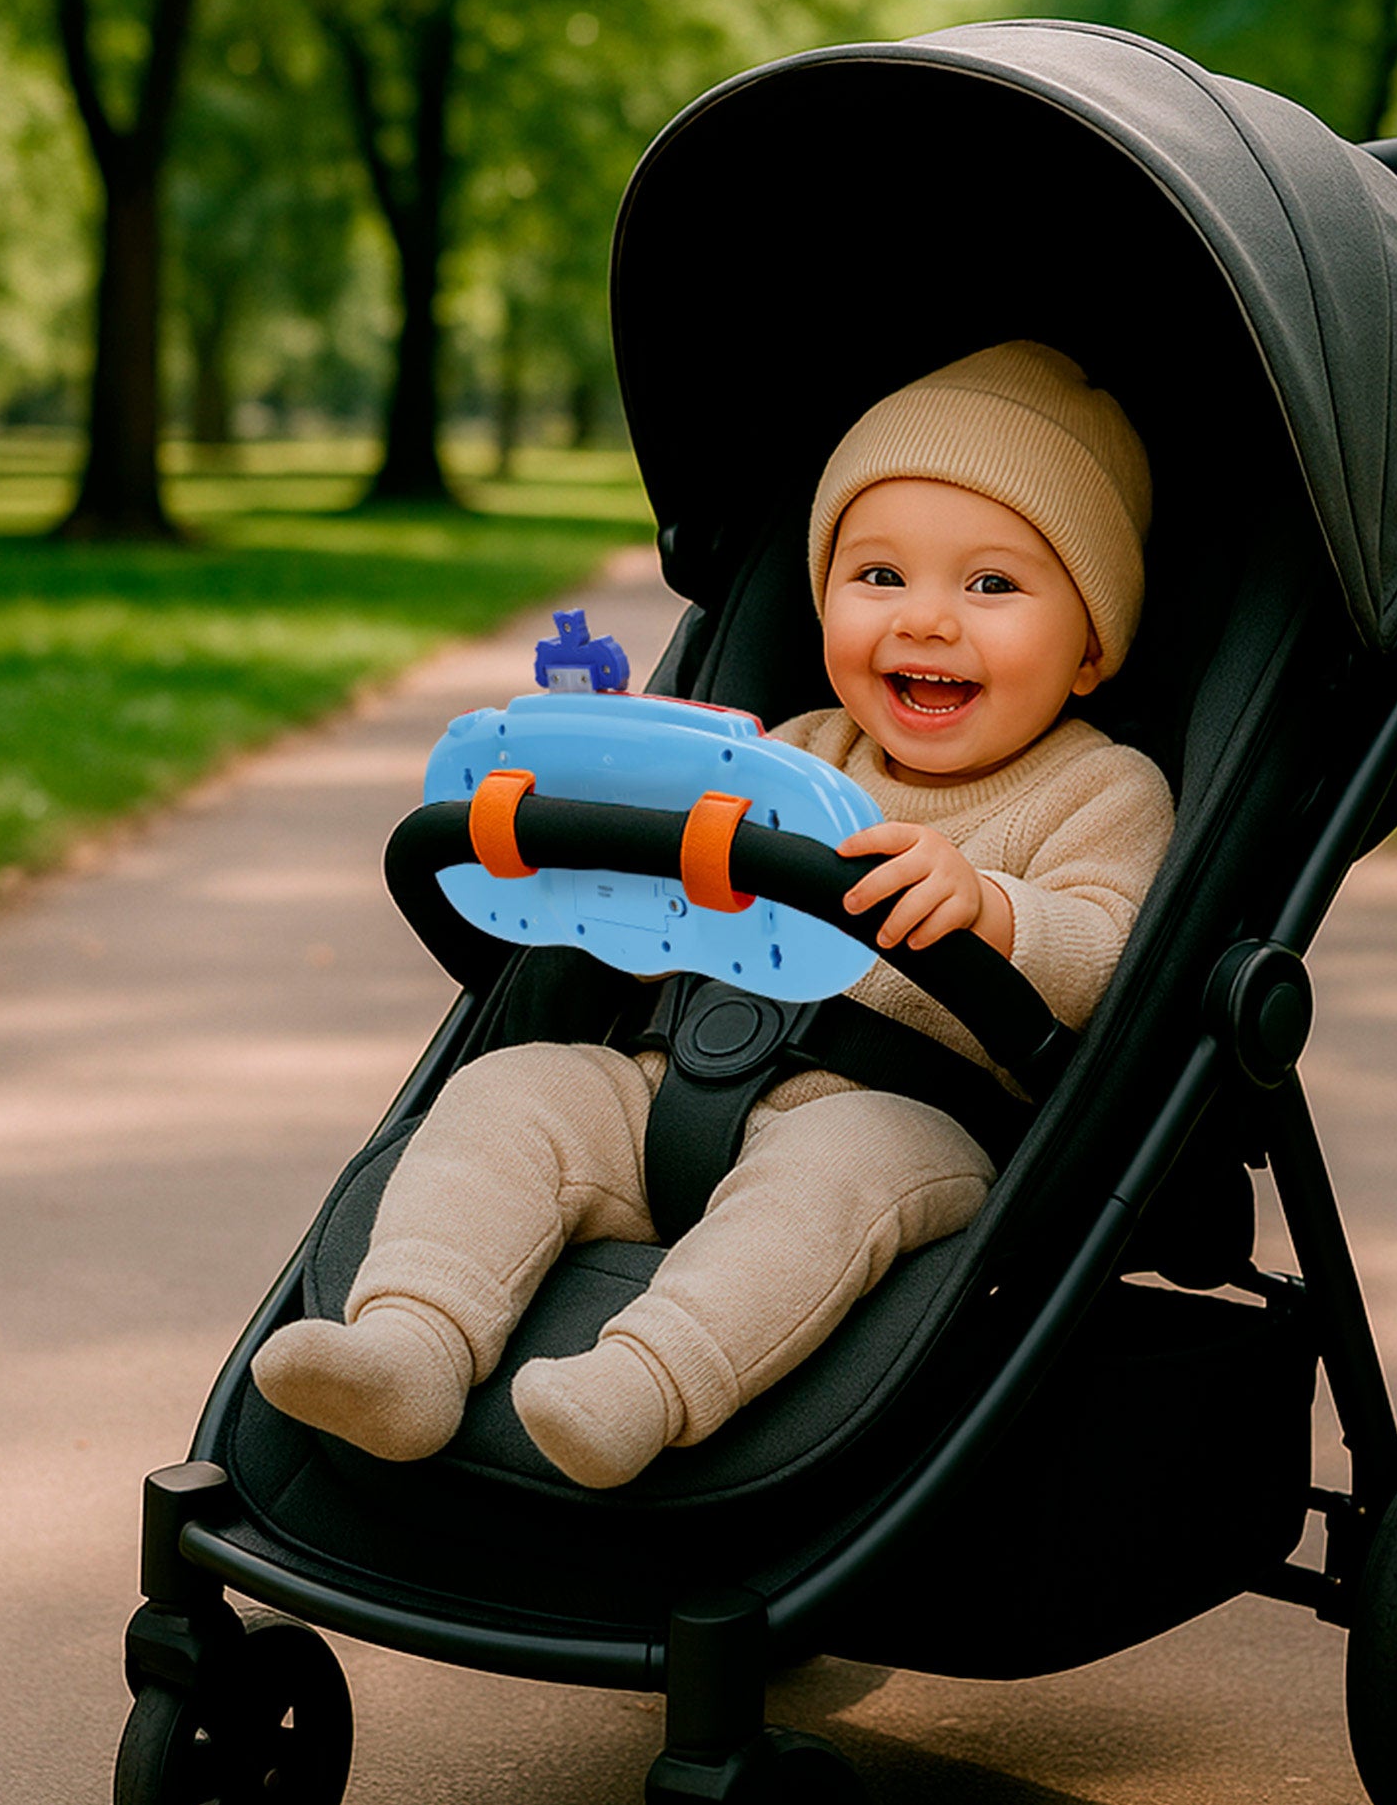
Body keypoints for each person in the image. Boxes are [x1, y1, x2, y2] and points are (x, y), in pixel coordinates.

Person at [251, 341, 1174, 1487]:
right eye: (877, 575)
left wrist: (992, 908)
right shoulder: (786, 748)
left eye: (990, 585)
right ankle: (409, 1342)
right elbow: (651, 913)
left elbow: (1114, 958)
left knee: (834, 1173)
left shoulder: (1100, 789)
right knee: (510, 1089)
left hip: (901, 1117)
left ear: (1090, 646)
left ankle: (639, 1381)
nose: (926, 619)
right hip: (669, 1075)